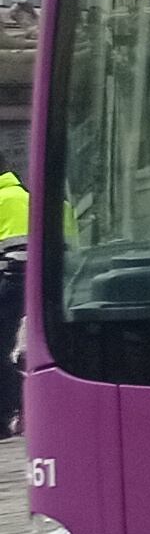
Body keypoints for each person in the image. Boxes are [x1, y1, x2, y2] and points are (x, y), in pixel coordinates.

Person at [0, 163, 29, 437]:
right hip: (27, 284)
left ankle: (9, 411)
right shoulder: (23, 195)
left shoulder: (4, 198)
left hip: (8, 283)